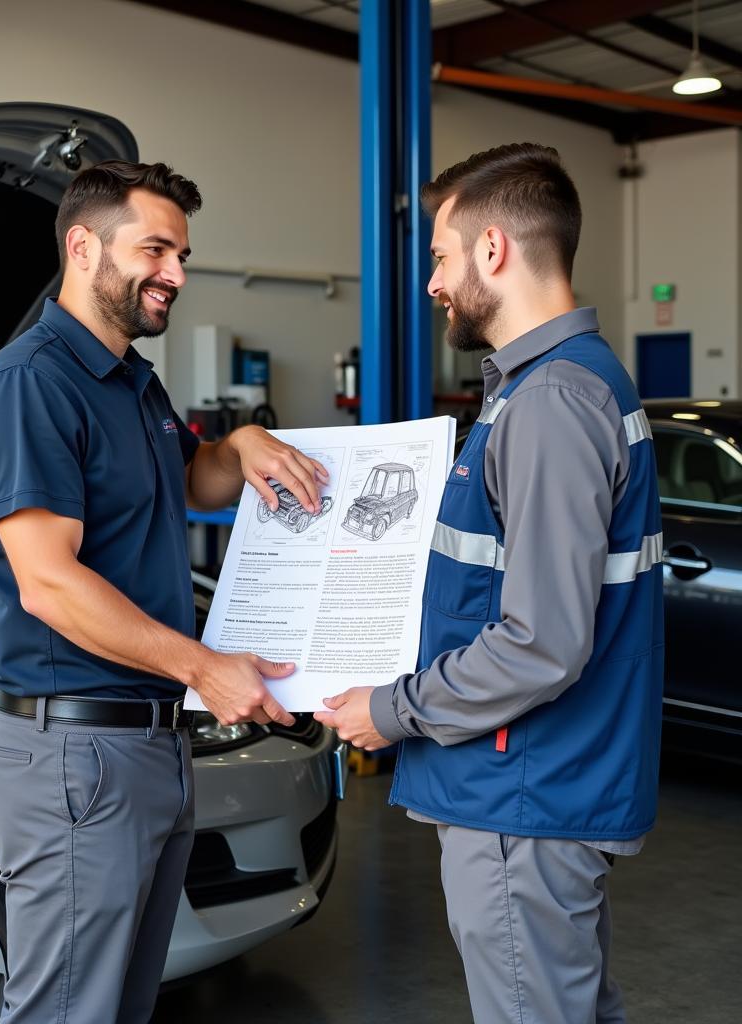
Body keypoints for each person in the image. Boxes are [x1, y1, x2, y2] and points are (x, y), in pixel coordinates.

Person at [0, 160, 327, 1024]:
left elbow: (189, 482)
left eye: (183, 253)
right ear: (84, 248)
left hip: (145, 749)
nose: (177, 275)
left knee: (118, 1008)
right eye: (156, 249)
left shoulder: (131, 380)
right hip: (76, 758)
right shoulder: (30, 385)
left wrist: (243, 446)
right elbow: (49, 583)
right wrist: (204, 668)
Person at [316, 143, 663, 1024]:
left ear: (494, 249)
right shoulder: (560, 387)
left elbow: (543, 642)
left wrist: (387, 709)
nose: (432, 283)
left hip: (524, 798)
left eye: (439, 256)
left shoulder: (551, 404)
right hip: (539, 790)